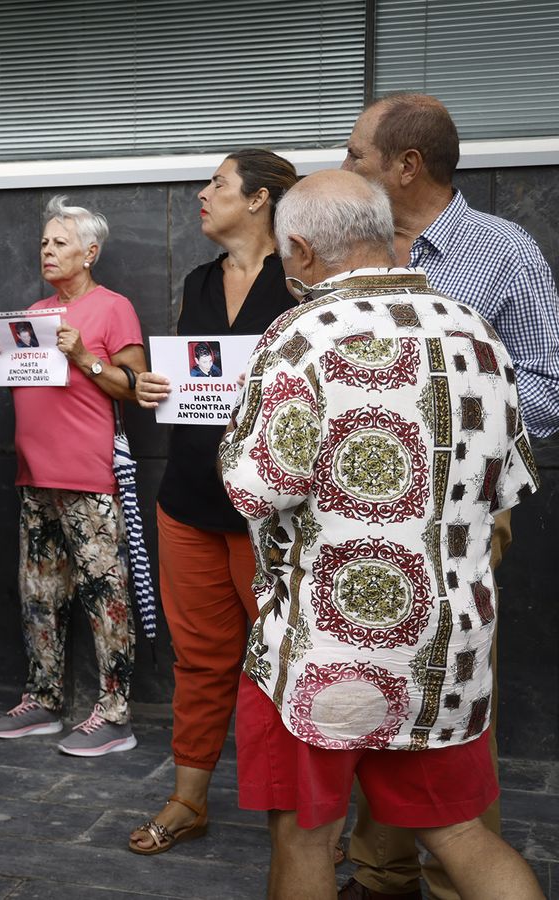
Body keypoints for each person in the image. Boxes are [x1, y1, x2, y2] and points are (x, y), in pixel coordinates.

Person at [220, 168, 544, 900]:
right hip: (445, 645)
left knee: (306, 834)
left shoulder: (298, 338)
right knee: (462, 834)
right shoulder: (475, 331)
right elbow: (512, 480)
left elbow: (256, 484)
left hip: (320, 648)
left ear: (299, 252)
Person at [339, 94, 559, 900]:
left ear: (407, 165)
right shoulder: (349, 246)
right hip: (349, 513)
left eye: (358, 153)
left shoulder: (502, 251)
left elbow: (549, 383)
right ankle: (381, 869)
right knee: (370, 689)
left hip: (459, 510)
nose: (346, 164)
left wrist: (433, 413)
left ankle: (455, 872)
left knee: (447, 693)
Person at [129, 149, 299, 853]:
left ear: (258, 200)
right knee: (198, 659)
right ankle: (187, 799)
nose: (203, 195)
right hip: (190, 500)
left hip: (271, 512)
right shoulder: (199, 281)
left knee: (280, 662)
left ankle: (295, 822)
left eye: (218, 185)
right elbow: (187, 378)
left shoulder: (301, 285)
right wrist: (149, 387)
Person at [0, 196, 148, 757]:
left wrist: (86, 359)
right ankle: (44, 702)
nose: (46, 250)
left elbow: (136, 387)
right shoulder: (34, 311)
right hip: (35, 475)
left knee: (105, 593)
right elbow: (25, 383)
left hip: (90, 476)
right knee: (39, 593)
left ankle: (116, 714)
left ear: (90, 252)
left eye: (59, 243)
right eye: (44, 243)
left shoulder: (112, 307)